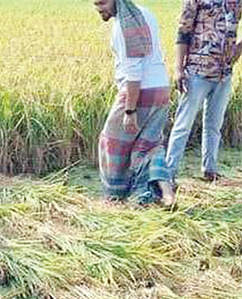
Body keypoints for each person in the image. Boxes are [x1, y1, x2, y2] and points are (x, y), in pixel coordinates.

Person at [94, 0, 175, 206]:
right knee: (149, 145)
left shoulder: (125, 26)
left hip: (140, 92)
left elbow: (134, 71)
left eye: (102, 3)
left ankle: (115, 194)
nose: (99, 8)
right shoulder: (144, 13)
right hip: (161, 88)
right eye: (95, 3)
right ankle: (166, 193)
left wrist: (130, 111)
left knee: (111, 141)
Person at [165, 0, 242, 183]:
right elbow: (183, 31)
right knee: (183, 125)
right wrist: (178, 69)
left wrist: (238, 49)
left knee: (214, 125)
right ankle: (169, 174)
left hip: (224, 73)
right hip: (196, 72)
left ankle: (210, 171)